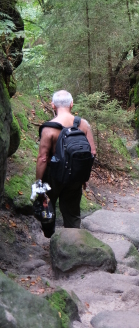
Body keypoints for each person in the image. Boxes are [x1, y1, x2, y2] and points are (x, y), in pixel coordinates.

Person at [36, 90, 96, 234]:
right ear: (71, 104)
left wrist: (38, 182)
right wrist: (83, 175)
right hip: (75, 175)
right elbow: (92, 152)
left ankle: (50, 236)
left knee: (47, 206)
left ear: (53, 105)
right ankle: (72, 241)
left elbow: (43, 158)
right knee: (72, 213)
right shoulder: (83, 124)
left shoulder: (48, 128)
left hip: (53, 176)